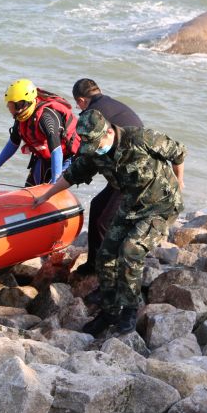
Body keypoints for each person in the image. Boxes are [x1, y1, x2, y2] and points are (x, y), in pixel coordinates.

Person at [33, 110, 185, 336]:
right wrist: (46, 195)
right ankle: (110, 310)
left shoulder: (141, 138)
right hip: (131, 204)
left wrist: (179, 181)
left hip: (160, 205)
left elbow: (179, 152)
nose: (93, 149)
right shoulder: (95, 152)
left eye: (95, 143)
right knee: (105, 256)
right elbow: (72, 175)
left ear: (108, 133)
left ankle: (130, 309)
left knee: (130, 251)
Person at [72, 79, 144, 276]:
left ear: (80, 100)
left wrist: (70, 172)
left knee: (103, 220)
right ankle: (97, 262)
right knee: (98, 206)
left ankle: (102, 270)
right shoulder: (113, 105)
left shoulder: (92, 113)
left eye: (77, 104)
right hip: (134, 169)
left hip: (134, 175)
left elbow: (86, 151)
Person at [0, 78, 80, 186]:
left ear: (24, 103)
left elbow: (56, 150)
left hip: (65, 157)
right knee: (30, 188)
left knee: (52, 190)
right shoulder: (21, 117)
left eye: (13, 105)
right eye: (9, 105)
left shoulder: (46, 118)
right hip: (44, 158)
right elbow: (13, 143)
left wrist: (55, 182)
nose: (11, 110)